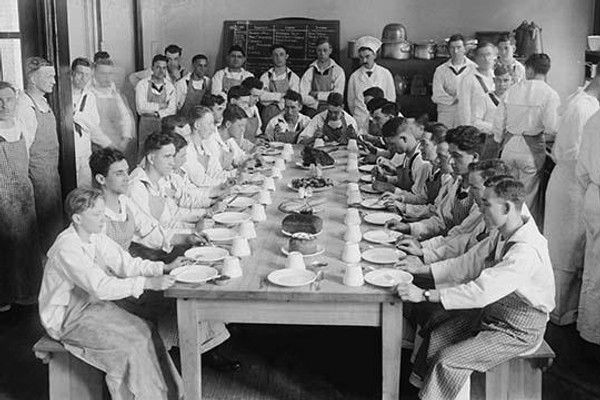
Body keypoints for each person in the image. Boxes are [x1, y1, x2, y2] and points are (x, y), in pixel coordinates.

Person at [396, 176, 554, 400]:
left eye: (486, 204)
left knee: (448, 360)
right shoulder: (504, 232)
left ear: (507, 207)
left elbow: (482, 291)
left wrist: (424, 294)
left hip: (520, 330)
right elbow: (468, 262)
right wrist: (423, 269)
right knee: (438, 335)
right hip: (496, 313)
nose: (481, 209)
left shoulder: (525, 251)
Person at [38, 187, 184, 399]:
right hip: (66, 319)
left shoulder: (94, 236)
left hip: (91, 306)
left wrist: (163, 267)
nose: (102, 219)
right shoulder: (67, 247)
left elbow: (125, 263)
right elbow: (101, 286)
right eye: (96, 214)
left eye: (102, 212)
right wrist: (148, 283)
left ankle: (172, 394)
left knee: (146, 330)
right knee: (129, 348)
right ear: (77, 218)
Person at [545, 73, 600, 326]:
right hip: (573, 183)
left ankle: (570, 313)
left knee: (575, 251)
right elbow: (578, 156)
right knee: (567, 251)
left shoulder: (583, 102)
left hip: (577, 181)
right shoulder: (584, 107)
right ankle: (562, 313)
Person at [493, 53, 560, 227]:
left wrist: (499, 139)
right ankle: (523, 233)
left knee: (505, 194)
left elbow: (498, 122)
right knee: (527, 198)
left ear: (529, 69)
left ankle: (501, 232)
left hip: (508, 148)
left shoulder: (512, 90)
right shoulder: (550, 94)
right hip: (531, 151)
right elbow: (553, 127)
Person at [386, 125, 483, 240]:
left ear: (475, 157)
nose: (450, 162)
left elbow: (460, 238)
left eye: (456, 156)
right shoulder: (457, 183)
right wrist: (409, 227)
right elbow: (441, 221)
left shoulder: (480, 194)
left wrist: (423, 249)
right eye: (450, 155)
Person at [0, 81, 42, 314]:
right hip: (1, 197)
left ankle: (28, 292)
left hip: (24, 195)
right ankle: (5, 295)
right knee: (5, 246)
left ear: (16, 101)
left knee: (26, 243)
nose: (4, 105)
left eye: (8, 99)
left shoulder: (21, 125)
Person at [16, 56, 63, 253]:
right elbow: (23, 149)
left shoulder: (43, 102)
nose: (53, 81)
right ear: (33, 79)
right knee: (45, 228)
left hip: (52, 175)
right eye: (49, 76)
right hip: (38, 178)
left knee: (54, 224)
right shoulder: (25, 106)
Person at [576, 104, 600, 348]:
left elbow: (581, 170)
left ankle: (589, 329)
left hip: (594, 194)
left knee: (594, 266)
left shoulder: (595, 118)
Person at [372, 118, 432, 204]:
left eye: (392, 144)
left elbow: (419, 199)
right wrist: (386, 179)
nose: (390, 148)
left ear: (404, 138)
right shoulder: (406, 154)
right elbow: (408, 181)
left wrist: (391, 189)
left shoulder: (421, 162)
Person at [90, 58, 137, 166]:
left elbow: (126, 117)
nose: (107, 77)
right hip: (100, 147)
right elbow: (93, 128)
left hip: (119, 145)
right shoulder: (90, 95)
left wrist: (125, 139)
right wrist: (109, 144)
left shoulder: (115, 93)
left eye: (110, 73)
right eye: (103, 73)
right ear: (94, 73)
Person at [71, 57, 110, 186]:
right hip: (69, 152)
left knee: (85, 188)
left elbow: (93, 124)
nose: (83, 78)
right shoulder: (64, 95)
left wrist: (75, 115)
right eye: (80, 73)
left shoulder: (89, 96)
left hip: (84, 151)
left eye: (87, 75)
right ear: (72, 73)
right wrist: (84, 118)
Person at [347, 36, 396, 133]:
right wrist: (361, 115)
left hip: (380, 120)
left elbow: (391, 98)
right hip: (360, 120)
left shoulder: (385, 73)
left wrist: (380, 115)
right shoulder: (354, 76)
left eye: (367, 56)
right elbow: (351, 103)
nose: (364, 60)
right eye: (361, 57)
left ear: (375, 55)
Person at [457, 42, 498, 159]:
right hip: (477, 134)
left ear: (494, 55)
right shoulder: (468, 79)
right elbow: (464, 109)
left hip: (496, 134)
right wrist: (468, 135)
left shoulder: (497, 77)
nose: (486, 58)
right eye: (482, 55)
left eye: (489, 54)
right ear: (475, 58)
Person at [135, 54, 177, 158]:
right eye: (158, 67)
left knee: (160, 153)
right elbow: (141, 107)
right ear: (152, 68)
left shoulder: (170, 86)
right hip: (146, 124)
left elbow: (172, 109)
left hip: (162, 124)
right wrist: (161, 105)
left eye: (164, 68)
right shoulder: (142, 84)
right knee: (144, 152)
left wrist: (156, 113)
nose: (161, 71)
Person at [431, 34, 476, 129]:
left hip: (466, 114)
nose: (455, 51)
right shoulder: (440, 70)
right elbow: (437, 95)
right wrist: (456, 98)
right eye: (452, 48)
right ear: (448, 50)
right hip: (446, 114)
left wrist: (461, 97)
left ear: (465, 49)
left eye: (459, 47)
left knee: (464, 139)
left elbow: (478, 93)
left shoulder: (474, 69)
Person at [299, 37, 346, 117]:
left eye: (325, 50)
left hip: (332, 112)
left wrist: (317, 94)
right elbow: (302, 96)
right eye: (319, 51)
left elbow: (338, 95)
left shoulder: (338, 71)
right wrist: (317, 103)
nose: (322, 54)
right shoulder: (310, 71)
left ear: (330, 51)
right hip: (312, 111)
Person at [259, 44, 301, 128]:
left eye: (281, 55)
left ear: (286, 56)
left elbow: (293, 98)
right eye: (275, 55)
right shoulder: (265, 76)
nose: (278, 58)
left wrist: (271, 96)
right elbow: (262, 98)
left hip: (287, 112)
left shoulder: (293, 77)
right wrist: (281, 95)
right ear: (271, 57)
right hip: (268, 114)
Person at [240, 77, 264, 142]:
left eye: (259, 97)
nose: (257, 100)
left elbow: (258, 133)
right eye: (255, 96)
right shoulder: (236, 109)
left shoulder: (254, 108)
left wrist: (263, 137)